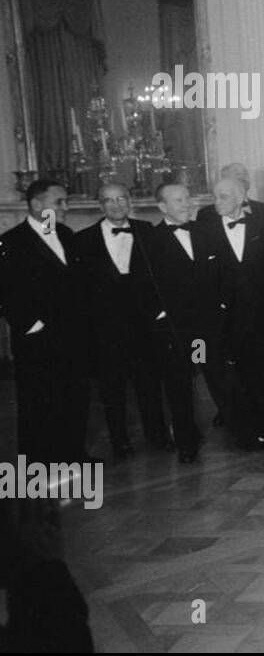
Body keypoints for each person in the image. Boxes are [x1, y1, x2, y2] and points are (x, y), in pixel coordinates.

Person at [69, 182, 165, 458]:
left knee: (149, 385)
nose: (116, 205)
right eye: (109, 201)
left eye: (121, 199)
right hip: (105, 330)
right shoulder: (83, 240)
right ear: (100, 206)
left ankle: (157, 435)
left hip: (145, 327)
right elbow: (80, 291)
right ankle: (120, 441)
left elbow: (161, 275)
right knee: (112, 390)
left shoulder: (147, 232)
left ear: (130, 202)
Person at [0, 179, 91, 463]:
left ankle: (73, 455)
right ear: (37, 205)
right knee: (38, 400)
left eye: (66, 201)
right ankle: (39, 463)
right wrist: (31, 325)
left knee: (74, 395)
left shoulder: (65, 234)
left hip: (72, 335)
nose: (65, 208)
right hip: (37, 339)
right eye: (59, 202)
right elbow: (5, 291)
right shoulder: (11, 241)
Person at [140, 182, 223, 463]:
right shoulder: (149, 240)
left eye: (188, 198)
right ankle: (187, 442)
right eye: (179, 201)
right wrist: (161, 316)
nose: (187, 204)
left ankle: (244, 434)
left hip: (209, 324)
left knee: (220, 377)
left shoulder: (205, 230)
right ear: (163, 207)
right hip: (175, 328)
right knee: (179, 386)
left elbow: (220, 274)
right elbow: (142, 284)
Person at [196, 177, 264, 452]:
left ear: (242, 196)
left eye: (223, 196)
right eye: (216, 196)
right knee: (234, 380)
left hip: (262, 319)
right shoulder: (204, 230)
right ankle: (245, 434)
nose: (217, 202)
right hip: (226, 322)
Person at [196, 163, 264, 224]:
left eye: (245, 173)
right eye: (237, 173)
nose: (243, 177)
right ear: (224, 179)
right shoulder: (206, 214)